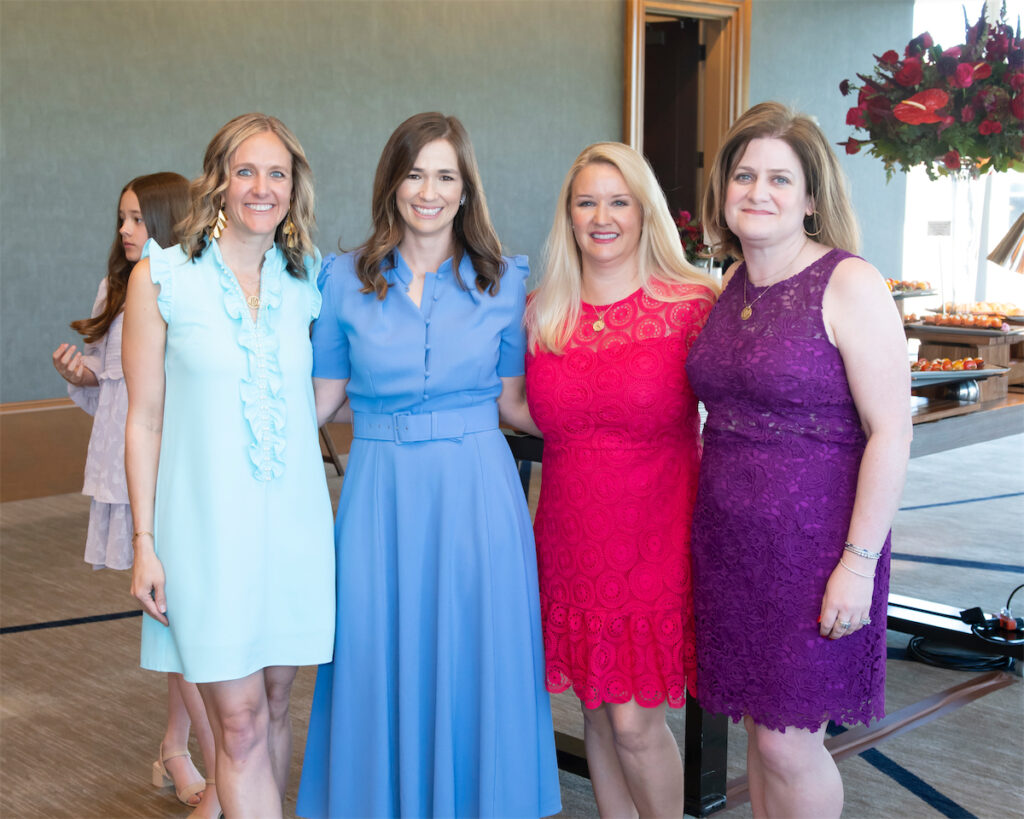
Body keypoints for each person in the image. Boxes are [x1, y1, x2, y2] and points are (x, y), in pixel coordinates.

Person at [296, 112, 560, 818]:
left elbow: (515, 404)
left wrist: (612, 428)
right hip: (379, 492)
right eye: (415, 173)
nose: (429, 191)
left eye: (446, 175)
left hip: (478, 493)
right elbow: (319, 402)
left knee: (478, 658)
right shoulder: (342, 279)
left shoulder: (505, 282)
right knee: (373, 656)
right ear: (392, 183)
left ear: (467, 188)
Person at [687, 101, 912, 818]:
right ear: (723, 189)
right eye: (744, 175)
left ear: (812, 197)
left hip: (816, 553)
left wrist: (858, 559)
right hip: (730, 547)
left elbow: (891, 433)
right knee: (761, 730)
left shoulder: (848, 282)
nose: (758, 191)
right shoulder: (731, 286)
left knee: (789, 742)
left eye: (780, 179)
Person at [123, 114, 335, 819]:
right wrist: (144, 543)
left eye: (278, 173)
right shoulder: (161, 277)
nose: (262, 187)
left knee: (276, 707)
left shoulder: (310, 284)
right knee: (239, 722)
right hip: (205, 538)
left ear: (294, 188)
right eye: (246, 170)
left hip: (296, 533)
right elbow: (144, 419)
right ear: (218, 180)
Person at [524, 142, 717, 818]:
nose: (601, 216)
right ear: (568, 215)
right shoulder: (543, 308)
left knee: (635, 723)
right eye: (586, 202)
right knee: (598, 711)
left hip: (655, 537)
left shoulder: (694, 303)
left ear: (645, 211)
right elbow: (522, 406)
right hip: (571, 536)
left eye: (618, 201)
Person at [52, 171, 221, 817]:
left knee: (185, 621)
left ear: (169, 220)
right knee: (178, 619)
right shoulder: (118, 288)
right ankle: (185, 752)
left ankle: (179, 749)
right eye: (120, 218)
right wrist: (83, 373)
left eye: (136, 218)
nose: (124, 230)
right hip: (139, 471)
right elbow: (118, 391)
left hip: (187, 468)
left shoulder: (193, 287)